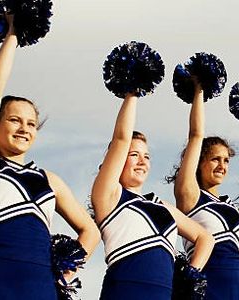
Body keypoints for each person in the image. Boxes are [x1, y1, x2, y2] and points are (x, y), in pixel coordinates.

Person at [0, 15, 100, 299]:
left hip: (41, 287)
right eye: (14, 120)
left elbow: (90, 231)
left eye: (31, 123)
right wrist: (12, 33)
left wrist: (65, 273)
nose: (24, 128)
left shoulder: (49, 180)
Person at [91, 92, 215, 300]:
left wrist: (189, 278)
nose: (142, 161)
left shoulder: (161, 206)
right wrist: (133, 92)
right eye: (134, 155)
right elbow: (121, 138)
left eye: (146, 156)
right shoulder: (110, 196)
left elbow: (205, 239)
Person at [166, 82, 239, 299]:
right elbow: (196, 135)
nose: (222, 166)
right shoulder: (190, 195)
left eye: (226, 160)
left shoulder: (229, 206)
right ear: (198, 162)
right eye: (215, 159)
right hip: (209, 288)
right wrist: (199, 90)